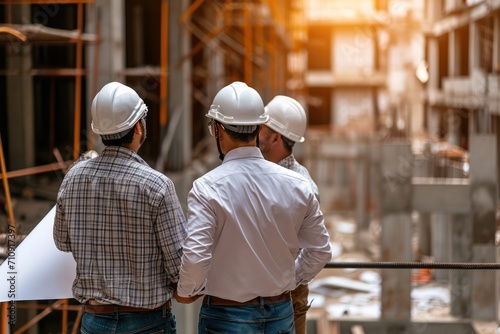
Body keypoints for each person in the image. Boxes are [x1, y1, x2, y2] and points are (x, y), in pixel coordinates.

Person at [175, 81, 332, 334]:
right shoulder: (298, 185)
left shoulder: (207, 188)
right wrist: (290, 280)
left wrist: (185, 291)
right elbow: (321, 251)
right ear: (259, 128)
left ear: (217, 130)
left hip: (226, 316)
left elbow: (195, 258)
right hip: (280, 312)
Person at [53, 81, 186, 334]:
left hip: (94, 321)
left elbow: (61, 242)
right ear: (138, 127)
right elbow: (179, 265)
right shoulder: (157, 185)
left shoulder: (73, 177)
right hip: (148, 323)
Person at [259, 95, 320, 334]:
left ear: (275, 137)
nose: (256, 132)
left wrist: (287, 280)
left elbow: (315, 250)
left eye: (262, 128)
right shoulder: (255, 173)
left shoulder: (302, 186)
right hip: (254, 292)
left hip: (287, 295)